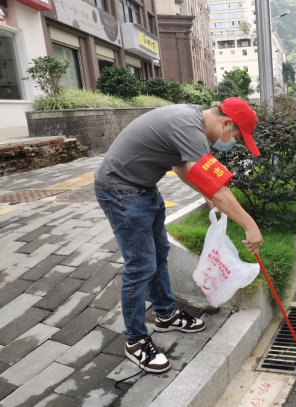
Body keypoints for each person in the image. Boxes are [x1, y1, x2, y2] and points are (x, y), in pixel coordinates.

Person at [94, 98, 264, 373]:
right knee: (140, 266)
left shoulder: (192, 120)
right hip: (121, 191)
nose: (233, 143)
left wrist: (208, 193)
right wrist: (249, 224)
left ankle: (165, 314)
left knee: (160, 252)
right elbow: (219, 188)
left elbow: (182, 168)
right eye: (237, 137)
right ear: (226, 123)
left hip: (143, 189)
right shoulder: (189, 127)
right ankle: (135, 341)